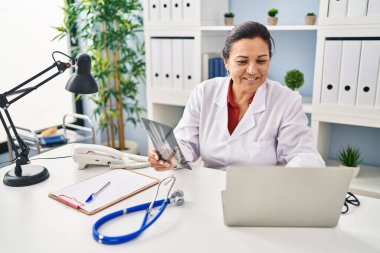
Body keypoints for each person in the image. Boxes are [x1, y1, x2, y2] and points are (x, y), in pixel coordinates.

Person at [148, 21, 325, 171]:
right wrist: (168, 155)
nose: (252, 70)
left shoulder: (286, 101)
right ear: (226, 62)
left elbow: (303, 154)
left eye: (261, 61)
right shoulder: (204, 92)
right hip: (209, 187)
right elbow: (186, 142)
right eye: (242, 61)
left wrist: (302, 173)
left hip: (259, 194)